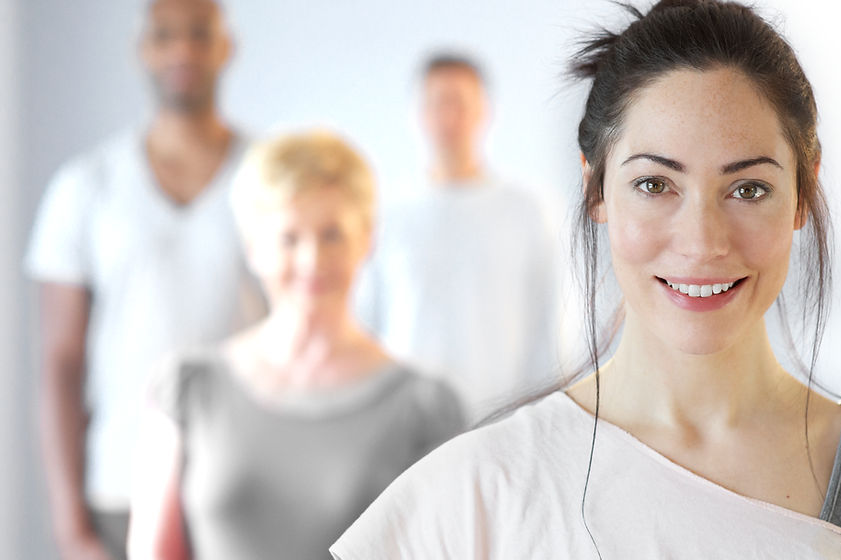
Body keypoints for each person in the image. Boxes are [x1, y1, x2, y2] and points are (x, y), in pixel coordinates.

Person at [329, 1, 841, 558]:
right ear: (595, 188)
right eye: (653, 184)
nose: (702, 241)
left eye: (748, 188)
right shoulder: (472, 497)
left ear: (801, 192)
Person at [126, 131, 465, 560]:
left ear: (367, 239)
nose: (311, 260)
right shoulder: (188, 387)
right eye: (289, 238)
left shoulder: (426, 407)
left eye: (332, 235)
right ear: (253, 248)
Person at [23, 1, 264, 558]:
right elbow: (61, 362)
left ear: (227, 46)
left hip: (247, 486)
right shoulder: (85, 187)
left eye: (200, 34)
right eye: (166, 35)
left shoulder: (267, 178)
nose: (183, 49)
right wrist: (71, 524)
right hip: (120, 491)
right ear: (143, 49)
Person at [354, 54, 561, 422]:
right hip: (407, 427)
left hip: (503, 421)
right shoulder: (384, 215)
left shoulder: (527, 211)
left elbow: (548, 325)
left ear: (485, 112)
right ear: (417, 114)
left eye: (460, 103)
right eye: (436, 103)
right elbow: (364, 325)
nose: (448, 118)